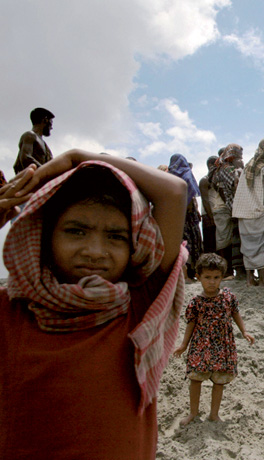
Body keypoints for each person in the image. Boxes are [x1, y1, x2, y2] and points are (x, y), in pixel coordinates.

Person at [0, 149, 187, 459]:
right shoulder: (13, 308)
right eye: (76, 231)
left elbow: (174, 191)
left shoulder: (139, 304)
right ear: (46, 236)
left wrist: (75, 158)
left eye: (116, 236)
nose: (95, 251)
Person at [174, 253, 255, 425]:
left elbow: (235, 314)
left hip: (222, 346)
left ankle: (214, 414)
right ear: (199, 277)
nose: (212, 282)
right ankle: (193, 413)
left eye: (216, 277)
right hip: (200, 346)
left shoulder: (228, 297)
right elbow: (191, 323)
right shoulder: (196, 302)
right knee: (195, 379)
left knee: (219, 381)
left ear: (222, 277)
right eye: (207, 277)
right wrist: (183, 345)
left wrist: (244, 332)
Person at [232, 138, 264, 287]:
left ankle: (249, 279)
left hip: (243, 211)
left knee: (247, 246)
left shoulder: (248, 166)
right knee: (260, 246)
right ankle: (263, 279)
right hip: (258, 211)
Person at [169, 154, 203, 282]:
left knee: (181, 244)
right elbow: (190, 195)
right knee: (190, 243)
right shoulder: (186, 174)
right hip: (187, 216)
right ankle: (187, 275)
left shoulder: (169, 177)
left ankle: (187, 274)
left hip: (176, 215)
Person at [212, 145, 244, 278]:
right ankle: (239, 271)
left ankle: (239, 270)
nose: (241, 156)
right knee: (237, 239)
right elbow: (240, 184)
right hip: (235, 206)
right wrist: (240, 167)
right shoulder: (228, 169)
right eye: (239, 154)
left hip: (233, 206)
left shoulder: (222, 168)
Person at [14, 107, 55, 174]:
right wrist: (46, 172)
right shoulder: (29, 135)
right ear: (45, 120)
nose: (51, 128)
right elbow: (25, 158)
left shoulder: (44, 144)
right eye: (51, 123)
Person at [199, 155, 219, 253]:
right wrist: (211, 218)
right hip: (208, 216)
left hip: (217, 215)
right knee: (210, 244)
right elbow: (205, 201)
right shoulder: (204, 180)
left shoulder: (216, 180)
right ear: (210, 165)